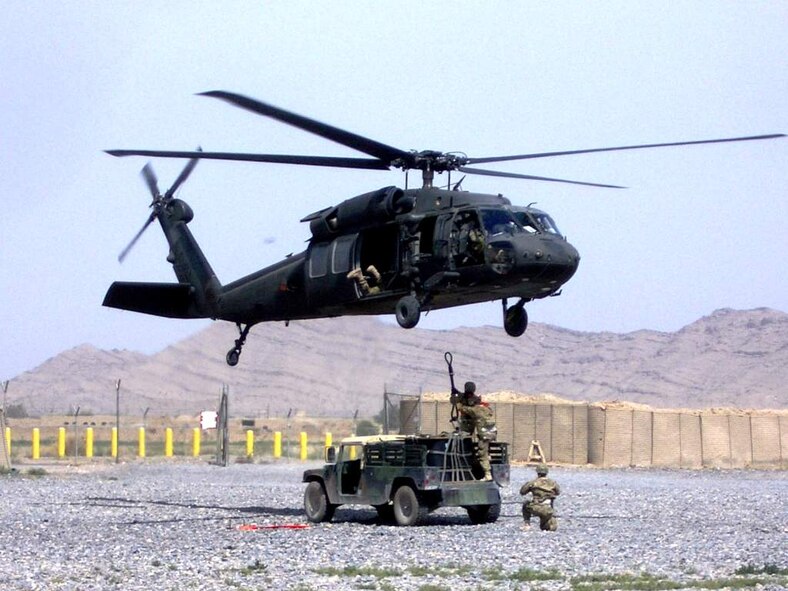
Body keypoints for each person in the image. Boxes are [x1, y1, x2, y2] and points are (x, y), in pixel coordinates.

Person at [453, 381, 496, 481]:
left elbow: (461, 408)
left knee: (482, 453)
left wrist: (458, 401)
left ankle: (487, 474)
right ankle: (485, 462)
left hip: (483, 435)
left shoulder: (475, 409)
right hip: (491, 434)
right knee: (484, 452)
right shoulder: (487, 409)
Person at [520, 463, 560, 531]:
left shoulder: (533, 482)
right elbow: (558, 492)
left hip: (537, 507)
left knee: (526, 504)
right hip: (549, 509)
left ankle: (527, 524)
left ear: (537, 472)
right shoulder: (553, 482)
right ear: (547, 472)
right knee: (550, 528)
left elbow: (522, 492)